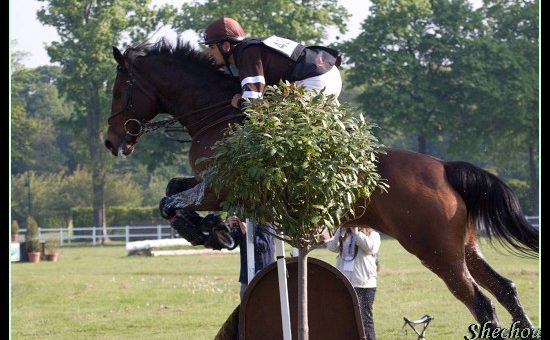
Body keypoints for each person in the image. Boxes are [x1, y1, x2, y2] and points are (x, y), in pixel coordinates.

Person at [202, 17, 343, 108]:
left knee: (274, 123)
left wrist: (238, 102)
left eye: (212, 47)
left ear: (226, 46)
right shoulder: (251, 48)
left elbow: (253, 103)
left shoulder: (247, 54)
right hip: (329, 74)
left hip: (315, 80)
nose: (210, 53)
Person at [323, 226, 381, 340]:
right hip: (345, 282)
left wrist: (356, 232)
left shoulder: (373, 235)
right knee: (346, 318)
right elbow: (333, 247)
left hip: (364, 284)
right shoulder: (344, 232)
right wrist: (328, 238)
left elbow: (371, 248)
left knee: (365, 319)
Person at [227, 215, 275, 299]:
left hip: (264, 277)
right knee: (245, 310)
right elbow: (230, 245)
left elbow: (264, 246)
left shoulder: (266, 222)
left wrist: (247, 232)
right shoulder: (243, 222)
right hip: (246, 278)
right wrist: (231, 228)